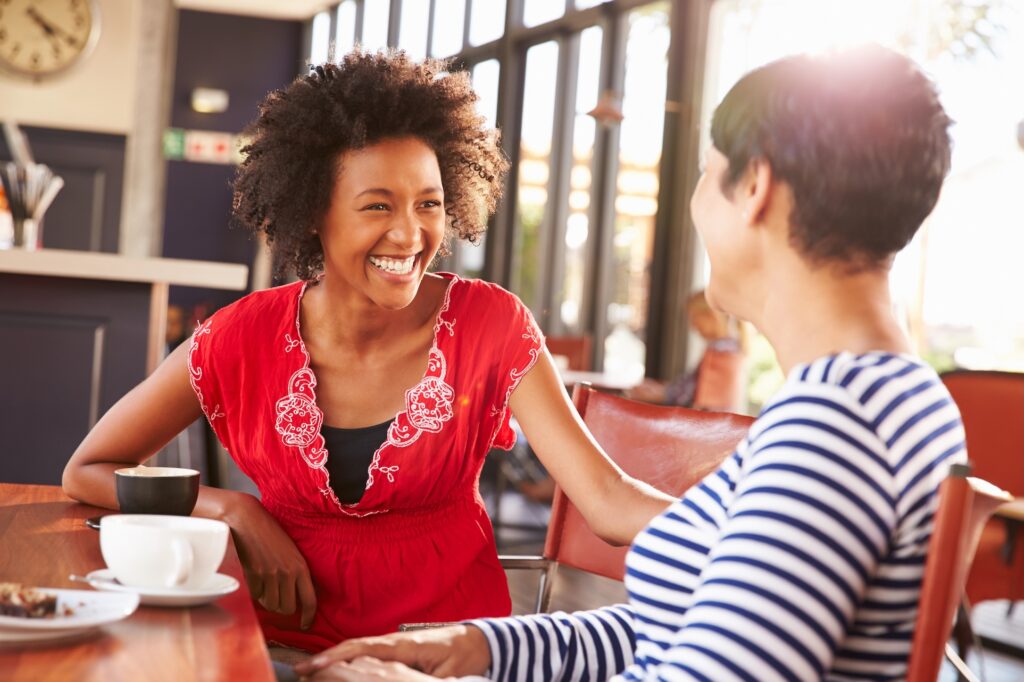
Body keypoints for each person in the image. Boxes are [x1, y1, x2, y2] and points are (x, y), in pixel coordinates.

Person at [295, 44, 966, 680]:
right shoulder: (883, 400)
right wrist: (477, 647)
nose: (699, 204)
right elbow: (677, 628)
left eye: (706, 173)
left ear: (755, 184)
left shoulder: (834, 426)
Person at [62, 49, 674, 654]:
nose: (410, 234)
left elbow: (607, 497)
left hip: (441, 655)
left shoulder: (493, 324)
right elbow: (87, 471)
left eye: (428, 203)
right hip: (280, 650)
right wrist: (231, 509)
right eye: (377, 205)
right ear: (311, 214)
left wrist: (754, 526)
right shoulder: (238, 338)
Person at [627, 289, 747, 412]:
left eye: (695, 318)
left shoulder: (721, 350)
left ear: (711, 316)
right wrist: (663, 389)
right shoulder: (730, 347)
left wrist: (661, 393)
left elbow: (696, 394)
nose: (693, 326)